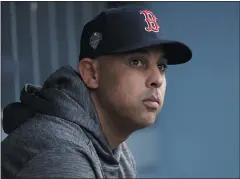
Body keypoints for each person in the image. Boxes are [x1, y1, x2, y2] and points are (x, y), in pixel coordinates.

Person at [1, 5, 192, 179]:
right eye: (137, 62)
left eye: (161, 66)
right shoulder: (62, 155)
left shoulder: (117, 152)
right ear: (92, 73)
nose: (157, 79)